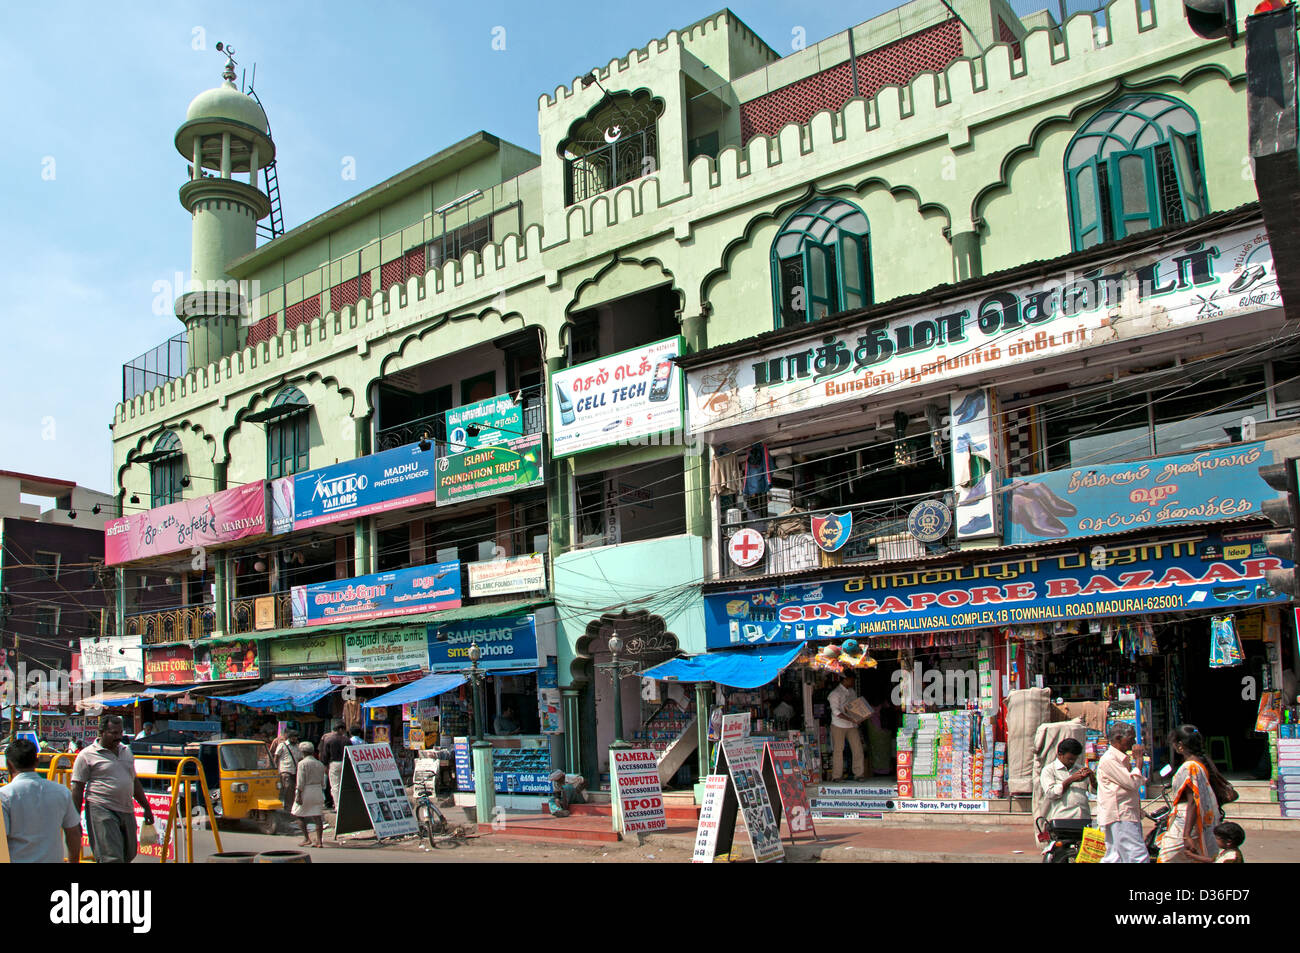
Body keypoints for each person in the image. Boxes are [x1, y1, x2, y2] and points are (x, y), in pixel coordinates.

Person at [70, 714, 154, 864]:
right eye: (114, 733)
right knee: (111, 857)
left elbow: (134, 781)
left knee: (129, 853)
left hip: (126, 809)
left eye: (120, 733)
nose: (118, 737)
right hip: (101, 809)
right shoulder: (86, 755)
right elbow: (77, 789)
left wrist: (146, 807)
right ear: (101, 733)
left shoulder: (126, 751)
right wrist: (74, 818)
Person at [1, 738, 82, 863]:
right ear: (36, 762)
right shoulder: (61, 792)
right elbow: (73, 833)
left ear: (9, 764)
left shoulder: (5, 796)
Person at [1157, 724, 1224, 864]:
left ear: (1180, 745)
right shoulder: (1199, 763)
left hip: (1186, 821)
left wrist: (1186, 834)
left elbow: (1193, 801)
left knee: (1166, 858)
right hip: (1193, 820)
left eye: (1174, 744)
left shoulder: (1190, 766)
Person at [1097, 722, 1147, 863]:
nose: (1134, 742)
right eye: (1131, 738)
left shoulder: (1122, 759)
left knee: (1115, 858)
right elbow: (1132, 783)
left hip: (1123, 814)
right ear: (1118, 738)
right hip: (1120, 815)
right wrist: (1139, 762)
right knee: (1137, 856)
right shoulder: (1110, 759)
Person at [1039, 738, 1093, 825]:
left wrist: (1092, 777)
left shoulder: (1080, 768)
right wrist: (1071, 780)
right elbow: (1051, 793)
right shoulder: (1049, 770)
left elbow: (1094, 791)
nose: (1072, 762)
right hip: (1062, 819)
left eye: (1075, 759)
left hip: (1083, 818)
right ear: (1060, 755)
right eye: (1069, 759)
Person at [827, 672, 866, 781]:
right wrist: (851, 718)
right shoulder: (835, 694)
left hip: (851, 725)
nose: (853, 682)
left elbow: (855, 706)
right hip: (838, 724)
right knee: (838, 750)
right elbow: (836, 712)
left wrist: (860, 716)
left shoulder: (852, 692)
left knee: (857, 748)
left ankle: (859, 774)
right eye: (852, 679)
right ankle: (836, 776)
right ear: (846, 679)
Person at [292, 741, 327, 847]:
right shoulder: (319, 764)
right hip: (317, 791)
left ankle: (307, 838)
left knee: (298, 814)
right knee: (317, 817)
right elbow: (323, 782)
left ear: (302, 752)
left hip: (306, 790)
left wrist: (298, 794)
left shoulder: (302, 764)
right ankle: (319, 841)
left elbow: (300, 781)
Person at [319, 721, 347, 810]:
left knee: (335, 786)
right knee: (344, 786)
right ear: (341, 729)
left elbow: (324, 755)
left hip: (334, 764)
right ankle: (343, 805)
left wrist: (325, 766)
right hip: (346, 764)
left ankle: (338, 807)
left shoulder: (329, 740)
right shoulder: (347, 740)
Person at [271, 729, 301, 808]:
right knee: (288, 788)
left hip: (295, 771)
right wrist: (275, 768)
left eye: (296, 737)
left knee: (293, 789)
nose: (295, 739)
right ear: (289, 737)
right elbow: (276, 757)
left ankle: (290, 806)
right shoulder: (282, 745)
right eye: (293, 737)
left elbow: (300, 758)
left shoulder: (298, 746)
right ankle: (287, 807)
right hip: (285, 770)